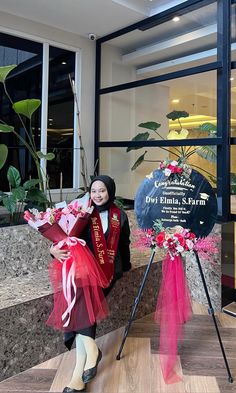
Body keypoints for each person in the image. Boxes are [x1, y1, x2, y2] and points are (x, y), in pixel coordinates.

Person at [50, 175, 131, 393]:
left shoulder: (119, 215)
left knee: (82, 307)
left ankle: (80, 371)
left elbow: (125, 243)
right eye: (94, 191)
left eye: (102, 191)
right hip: (82, 271)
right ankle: (84, 364)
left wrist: (127, 266)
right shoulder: (81, 213)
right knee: (84, 306)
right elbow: (65, 239)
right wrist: (53, 250)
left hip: (107, 271)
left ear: (110, 192)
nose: (97, 195)